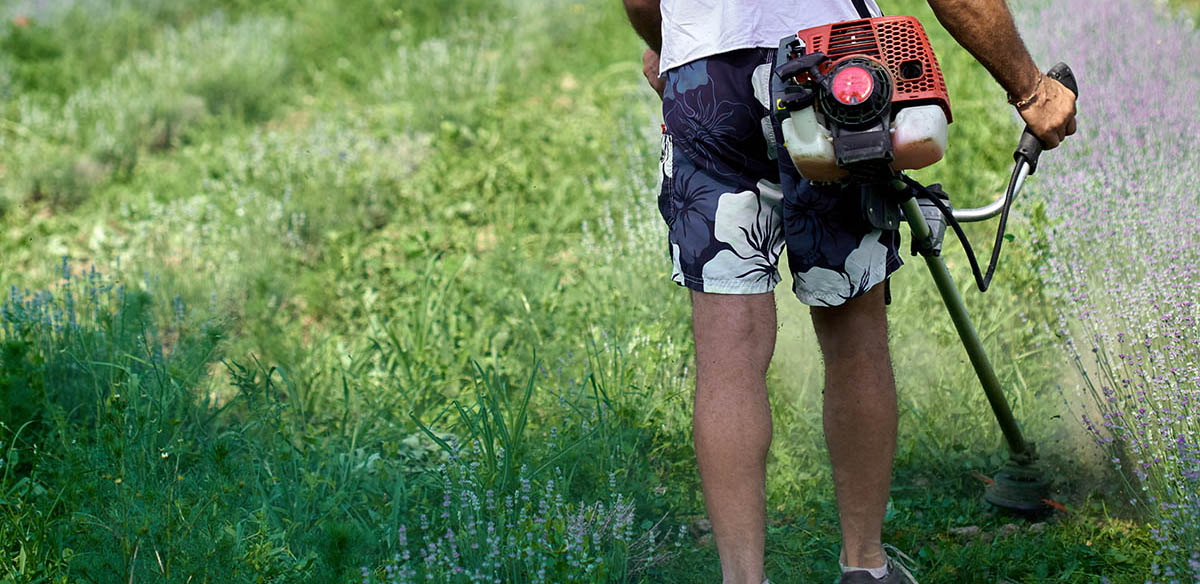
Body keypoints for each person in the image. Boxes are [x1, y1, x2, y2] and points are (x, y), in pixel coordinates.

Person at [621, 0, 1077, 583]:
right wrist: (1032, 89)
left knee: (726, 357)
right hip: (830, 68)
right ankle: (865, 566)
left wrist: (673, 43)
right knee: (854, 339)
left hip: (705, 77)